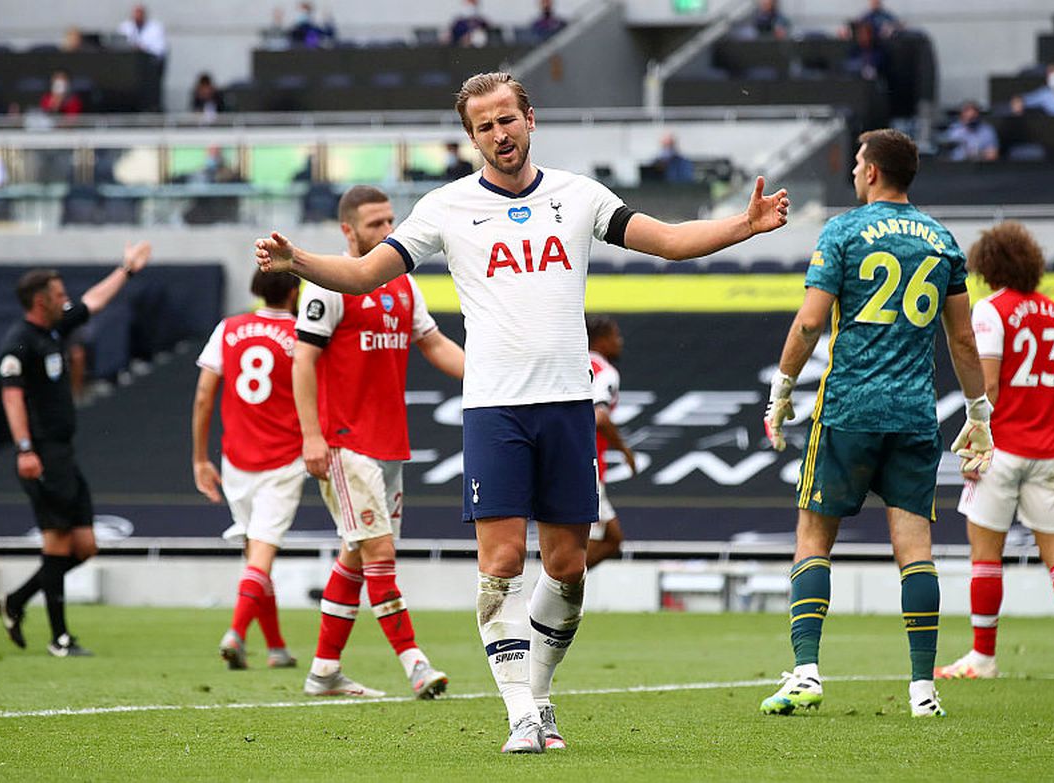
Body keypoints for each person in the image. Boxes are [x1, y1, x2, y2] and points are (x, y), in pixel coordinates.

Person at [256, 70, 789, 753]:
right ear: (471, 137)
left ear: (529, 118)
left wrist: (744, 226)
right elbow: (363, 274)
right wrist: (296, 259)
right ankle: (519, 715)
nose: (499, 134)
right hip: (494, 408)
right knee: (501, 561)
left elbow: (669, 240)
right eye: (484, 126)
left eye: (507, 119)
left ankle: (539, 695)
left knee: (568, 567)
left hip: (567, 406)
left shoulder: (579, 196)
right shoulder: (445, 208)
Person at [760, 129, 991, 719]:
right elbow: (962, 338)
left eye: (858, 162)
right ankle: (923, 691)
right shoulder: (942, 240)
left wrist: (782, 391)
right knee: (916, 551)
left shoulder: (842, 231)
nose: (855, 171)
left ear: (871, 172)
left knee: (814, 538)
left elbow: (811, 324)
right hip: (914, 415)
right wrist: (979, 412)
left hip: (848, 409)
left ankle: (807, 673)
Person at [293, 185, 465, 701]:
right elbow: (303, 360)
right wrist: (312, 436)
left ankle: (324, 672)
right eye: (374, 224)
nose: (387, 231)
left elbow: (433, 343)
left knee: (355, 554)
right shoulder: (327, 285)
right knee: (379, 551)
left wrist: (488, 375)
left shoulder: (403, 284)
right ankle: (416, 665)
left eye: (391, 220)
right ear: (348, 230)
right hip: (346, 442)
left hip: (389, 441)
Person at [933, 222, 1054, 683]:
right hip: (1046, 448)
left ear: (988, 265)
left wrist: (976, 435)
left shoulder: (991, 312)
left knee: (985, 556)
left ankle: (983, 657)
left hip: (1000, 449)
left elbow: (989, 383)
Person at [0, 243, 152, 657]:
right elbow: (11, 399)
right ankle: (59, 638)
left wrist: (126, 270)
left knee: (85, 546)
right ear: (40, 300)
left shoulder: (55, 329)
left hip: (63, 452)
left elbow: (93, 301)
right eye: (59, 293)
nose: (66, 298)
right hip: (41, 453)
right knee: (58, 542)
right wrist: (26, 449)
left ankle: (15, 601)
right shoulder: (20, 342)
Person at [192, 270, 304, 671]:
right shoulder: (302, 332)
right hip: (285, 457)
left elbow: (205, 395)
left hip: (235, 458)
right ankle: (235, 633)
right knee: (261, 553)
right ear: (295, 291)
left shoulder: (229, 328)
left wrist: (199, 458)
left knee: (254, 552)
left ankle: (276, 648)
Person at [585, 315, 635, 570]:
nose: (620, 342)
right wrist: (625, 451)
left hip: (560, 458)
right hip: (585, 464)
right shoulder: (605, 372)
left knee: (612, 538)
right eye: (615, 336)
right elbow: (600, 417)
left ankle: (549, 600)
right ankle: (543, 603)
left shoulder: (572, 364)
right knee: (592, 541)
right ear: (602, 340)